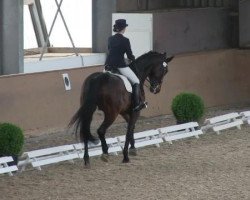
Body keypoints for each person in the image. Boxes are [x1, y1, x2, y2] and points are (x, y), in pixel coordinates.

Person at [105, 19, 146, 112]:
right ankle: (136, 105)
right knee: (136, 81)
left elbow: (111, 51)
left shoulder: (110, 39)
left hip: (108, 65)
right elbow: (129, 55)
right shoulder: (125, 40)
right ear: (123, 28)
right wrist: (133, 58)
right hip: (120, 65)